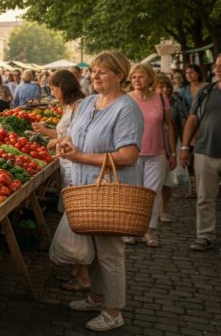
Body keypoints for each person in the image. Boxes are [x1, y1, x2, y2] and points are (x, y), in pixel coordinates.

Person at [58, 50, 143, 332]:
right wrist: (65, 145)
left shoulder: (126, 108)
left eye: (102, 71)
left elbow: (129, 155)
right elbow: (74, 136)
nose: (95, 75)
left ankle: (113, 310)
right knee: (92, 248)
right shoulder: (89, 102)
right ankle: (96, 296)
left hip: (109, 190)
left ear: (119, 75)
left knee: (109, 251)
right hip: (84, 185)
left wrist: (81, 158)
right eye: (93, 70)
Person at [32, 69, 86, 290]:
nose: (52, 92)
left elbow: (77, 136)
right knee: (72, 218)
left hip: (75, 167)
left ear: (63, 86)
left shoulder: (80, 106)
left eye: (53, 88)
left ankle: (84, 275)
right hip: (66, 165)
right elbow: (66, 133)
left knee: (78, 220)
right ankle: (78, 267)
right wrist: (47, 132)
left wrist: (56, 141)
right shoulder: (69, 106)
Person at [126, 63, 176, 247]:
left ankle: (149, 230)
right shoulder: (127, 99)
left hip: (157, 153)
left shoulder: (161, 99)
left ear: (149, 78)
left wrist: (173, 153)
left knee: (152, 193)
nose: (136, 80)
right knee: (134, 192)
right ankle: (131, 229)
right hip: (132, 153)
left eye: (140, 76)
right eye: (133, 77)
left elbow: (169, 126)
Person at [180, 54, 221, 252]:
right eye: (217, 65)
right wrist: (185, 147)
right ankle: (205, 235)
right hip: (205, 151)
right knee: (205, 197)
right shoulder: (206, 91)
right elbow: (192, 119)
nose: (218, 69)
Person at [156, 75, 188, 223]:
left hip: (171, 142)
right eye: (161, 86)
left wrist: (183, 147)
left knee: (167, 181)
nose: (165, 89)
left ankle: (163, 209)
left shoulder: (176, 100)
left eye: (167, 86)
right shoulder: (151, 101)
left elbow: (183, 121)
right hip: (155, 144)